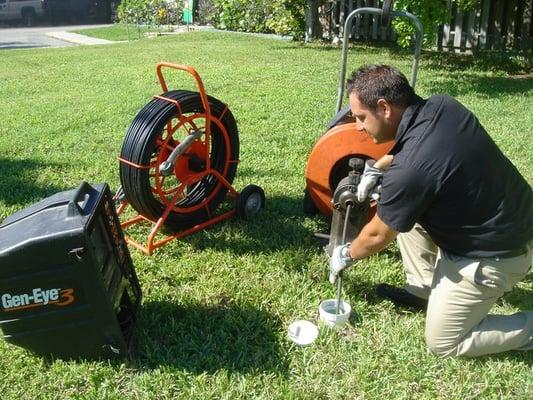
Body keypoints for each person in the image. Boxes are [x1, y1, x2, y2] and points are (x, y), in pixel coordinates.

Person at [328, 64, 533, 358]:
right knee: (400, 207)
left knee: (445, 342)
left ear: (384, 107)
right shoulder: (442, 105)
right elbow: (414, 148)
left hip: (498, 253)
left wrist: (346, 254)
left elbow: (376, 235)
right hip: (515, 218)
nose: (359, 126)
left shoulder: (411, 171)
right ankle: (424, 289)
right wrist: (378, 167)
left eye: (361, 117)